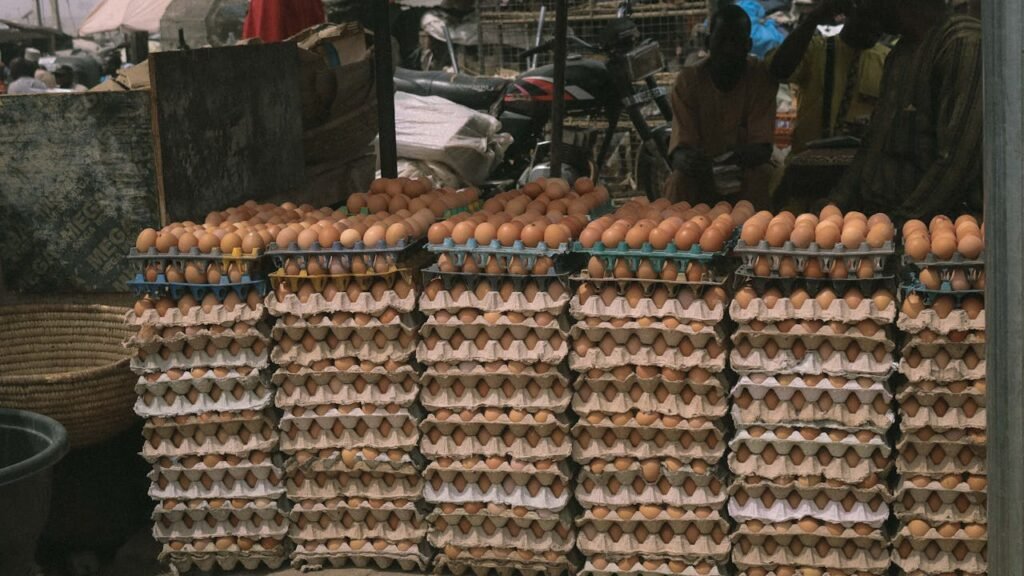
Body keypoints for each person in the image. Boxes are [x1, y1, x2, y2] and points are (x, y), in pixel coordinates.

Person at [828, 0, 982, 220]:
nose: (863, 8)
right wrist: (836, 203)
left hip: (937, 227)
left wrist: (903, 224)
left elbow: (958, 159)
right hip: (888, 219)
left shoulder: (962, 43)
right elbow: (873, 144)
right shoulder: (900, 54)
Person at [666, 5, 779, 208]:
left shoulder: (760, 78)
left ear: (748, 45)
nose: (729, 49)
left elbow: (762, 149)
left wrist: (731, 160)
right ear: (709, 43)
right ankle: (675, 234)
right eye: (722, 40)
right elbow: (681, 149)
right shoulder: (688, 81)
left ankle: (760, 235)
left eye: (736, 42)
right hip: (703, 175)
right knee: (678, 180)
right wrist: (689, 160)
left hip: (744, 171)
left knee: (764, 175)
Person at [769, 0, 890, 153]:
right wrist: (813, 20)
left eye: (883, 20)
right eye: (870, 17)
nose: (877, 27)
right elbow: (778, 71)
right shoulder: (816, 49)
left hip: (860, 168)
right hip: (808, 163)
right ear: (850, 12)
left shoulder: (888, 62)